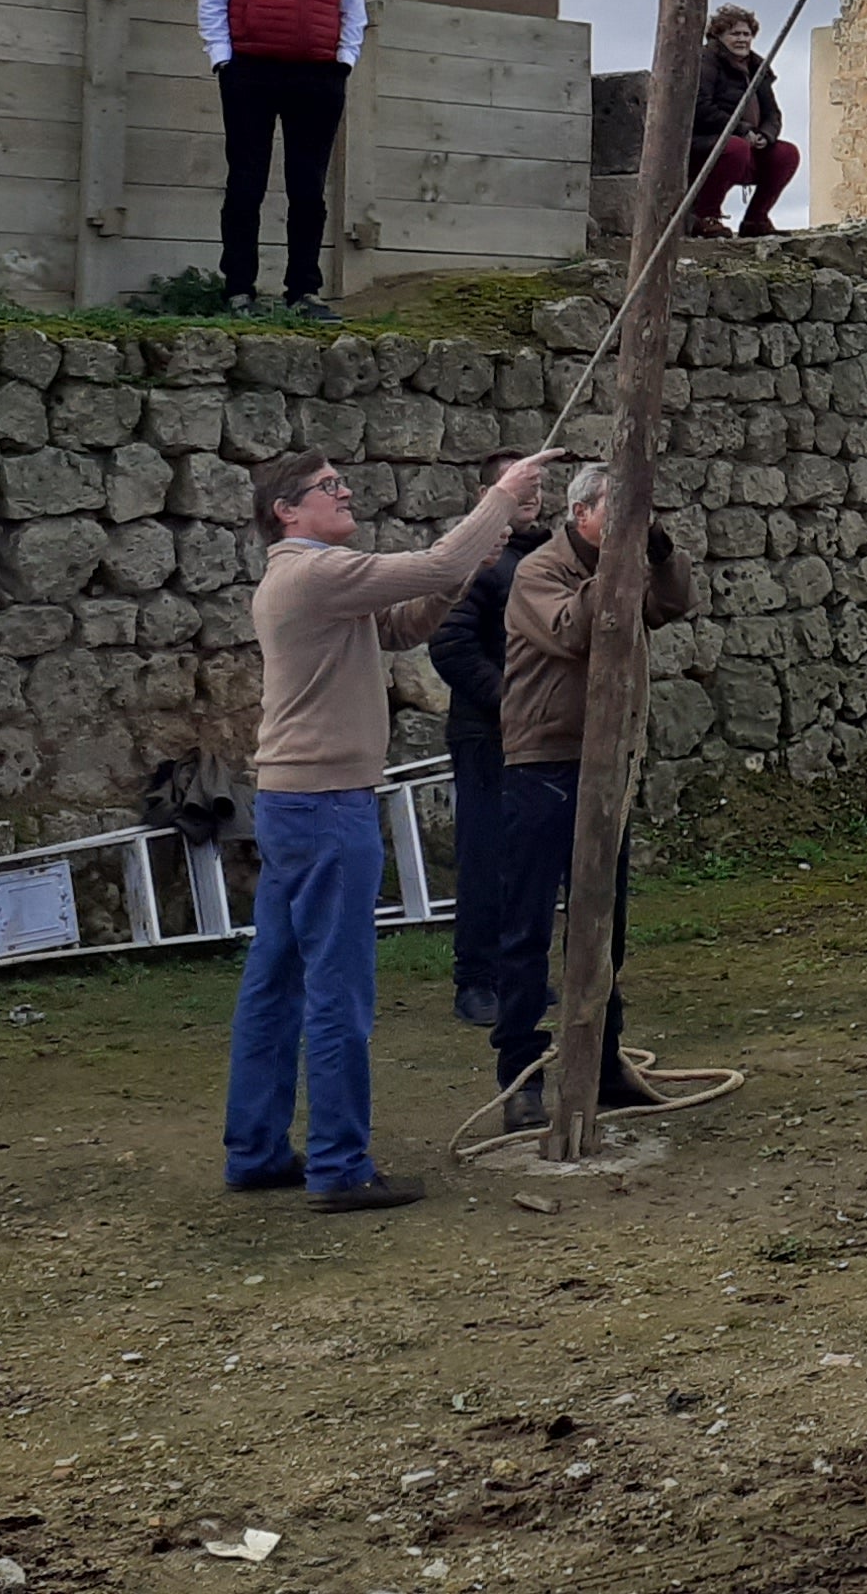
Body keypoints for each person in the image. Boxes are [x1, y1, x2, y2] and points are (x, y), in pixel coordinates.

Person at [227, 445, 558, 1210]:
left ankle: (255, 1149)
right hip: (326, 804)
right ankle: (341, 1166)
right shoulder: (315, 572)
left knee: (275, 983)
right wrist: (503, 499)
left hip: (293, 801)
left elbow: (406, 623)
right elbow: (437, 564)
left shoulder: (312, 581)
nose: (344, 494)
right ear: (287, 511)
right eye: (327, 487)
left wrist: (473, 564)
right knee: (339, 991)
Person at [489, 458, 697, 1107]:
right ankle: (520, 1075)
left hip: (606, 761)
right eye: (619, 511)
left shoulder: (623, 562)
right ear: (580, 514)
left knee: (606, 920)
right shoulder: (539, 572)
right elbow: (576, 630)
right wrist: (620, 563)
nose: (632, 524)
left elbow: (673, 603)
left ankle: (604, 1063)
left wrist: (657, 554)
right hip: (543, 761)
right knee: (526, 925)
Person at [199, 0, 365, 315]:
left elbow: (353, 6)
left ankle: (303, 291)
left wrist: (344, 60)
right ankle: (238, 290)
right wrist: (222, 59)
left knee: (308, 189)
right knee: (246, 183)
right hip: (251, 71)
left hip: (318, 75)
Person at [425, 490, 548, 1031]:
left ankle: (518, 974)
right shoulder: (480, 564)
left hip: (535, 739)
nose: (532, 498)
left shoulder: (542, 559)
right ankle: (475, 979)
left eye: (537, 490)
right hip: (486, 736)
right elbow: (450, 643)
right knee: (484, 856)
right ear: (488, 498)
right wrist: (510, 703)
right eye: (519, 489)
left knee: (528, 857)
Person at [689, 4, 796, 235]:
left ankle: (756, 220)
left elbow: (772, 114)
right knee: (735, 148)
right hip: (706, 143)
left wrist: (765, 135)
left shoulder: (757, 67)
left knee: (786, 154)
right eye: (734, 34)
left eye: (746, 34)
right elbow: (701, 107)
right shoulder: (706, 61)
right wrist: (741, 129)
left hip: (748, 142)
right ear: (719, 36)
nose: (742, 39)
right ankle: (706, 216)